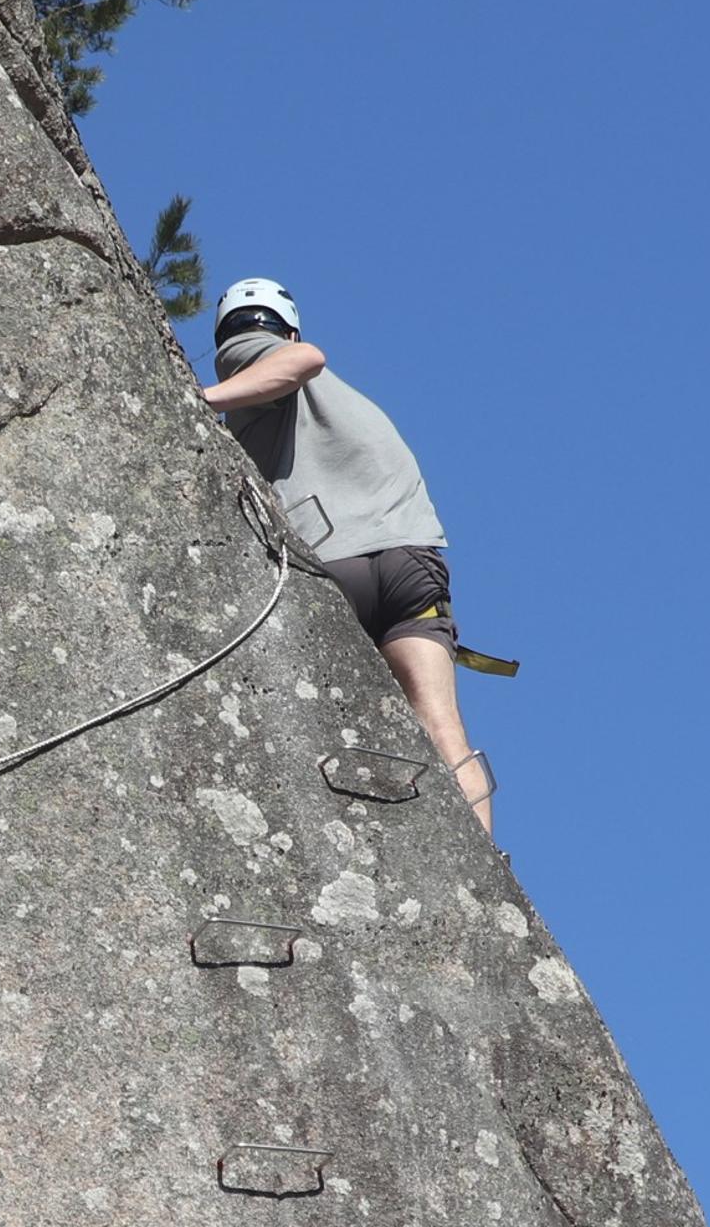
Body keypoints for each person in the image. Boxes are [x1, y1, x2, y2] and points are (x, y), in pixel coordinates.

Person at [196, 278, 496, 834]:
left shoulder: (247, 353)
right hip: (412, 566)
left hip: (336, 565)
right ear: (290, 321)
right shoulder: (350, 403)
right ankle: (485, 853)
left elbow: (304, 358)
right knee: (442, 725)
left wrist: (202, 400)